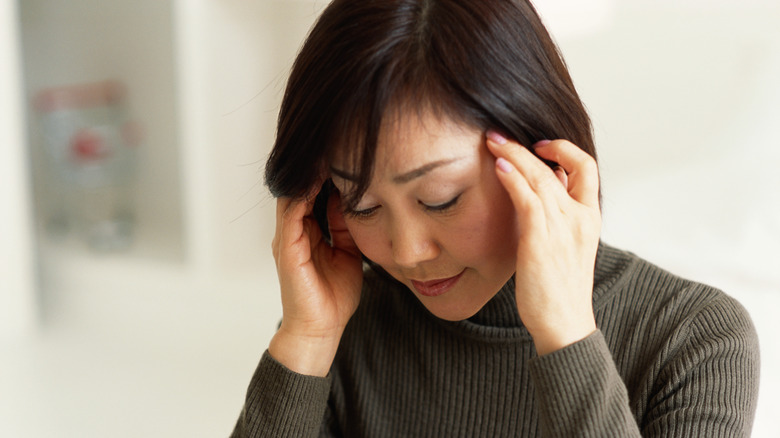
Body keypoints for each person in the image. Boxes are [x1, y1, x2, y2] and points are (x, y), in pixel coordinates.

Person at [231, 0, 760, 436]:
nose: (408, 252)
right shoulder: (343, 330)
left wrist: (566, 335)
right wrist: (306, 341)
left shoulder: (696, 340)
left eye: (441, 199)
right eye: (362, 206)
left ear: (544, 160)